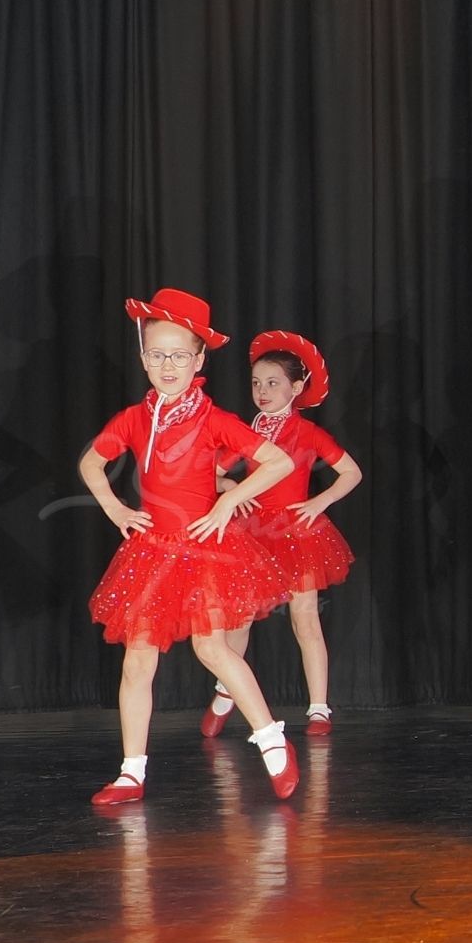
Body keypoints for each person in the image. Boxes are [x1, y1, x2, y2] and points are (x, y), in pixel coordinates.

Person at [81, 287, 300, 805]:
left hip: (202, 549)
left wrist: (228, 502)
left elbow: (279, 462)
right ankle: (131, 772)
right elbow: (92, 462)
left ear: (199, 360)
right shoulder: (135, 418)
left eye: (180, 356)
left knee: (211, 648)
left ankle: (272, 738)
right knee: (137, 662)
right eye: (158, 355)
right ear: (143, 359)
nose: (168, 365)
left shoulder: (214, 419)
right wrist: (115, 509)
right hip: (151, 550)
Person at [201, 331, 361, 738]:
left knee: (305, 620)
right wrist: (231, 490)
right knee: (239, 619)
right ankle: (226, 690)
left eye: (273, 383)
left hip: (296, 533)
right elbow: (210, 475)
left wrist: (319, 502)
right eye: (256, 383)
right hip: (252, 533)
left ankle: (319, 708)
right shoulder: (249, 433)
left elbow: (351, 472)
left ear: (297, 387)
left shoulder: (308, 433)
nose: (262, 391)